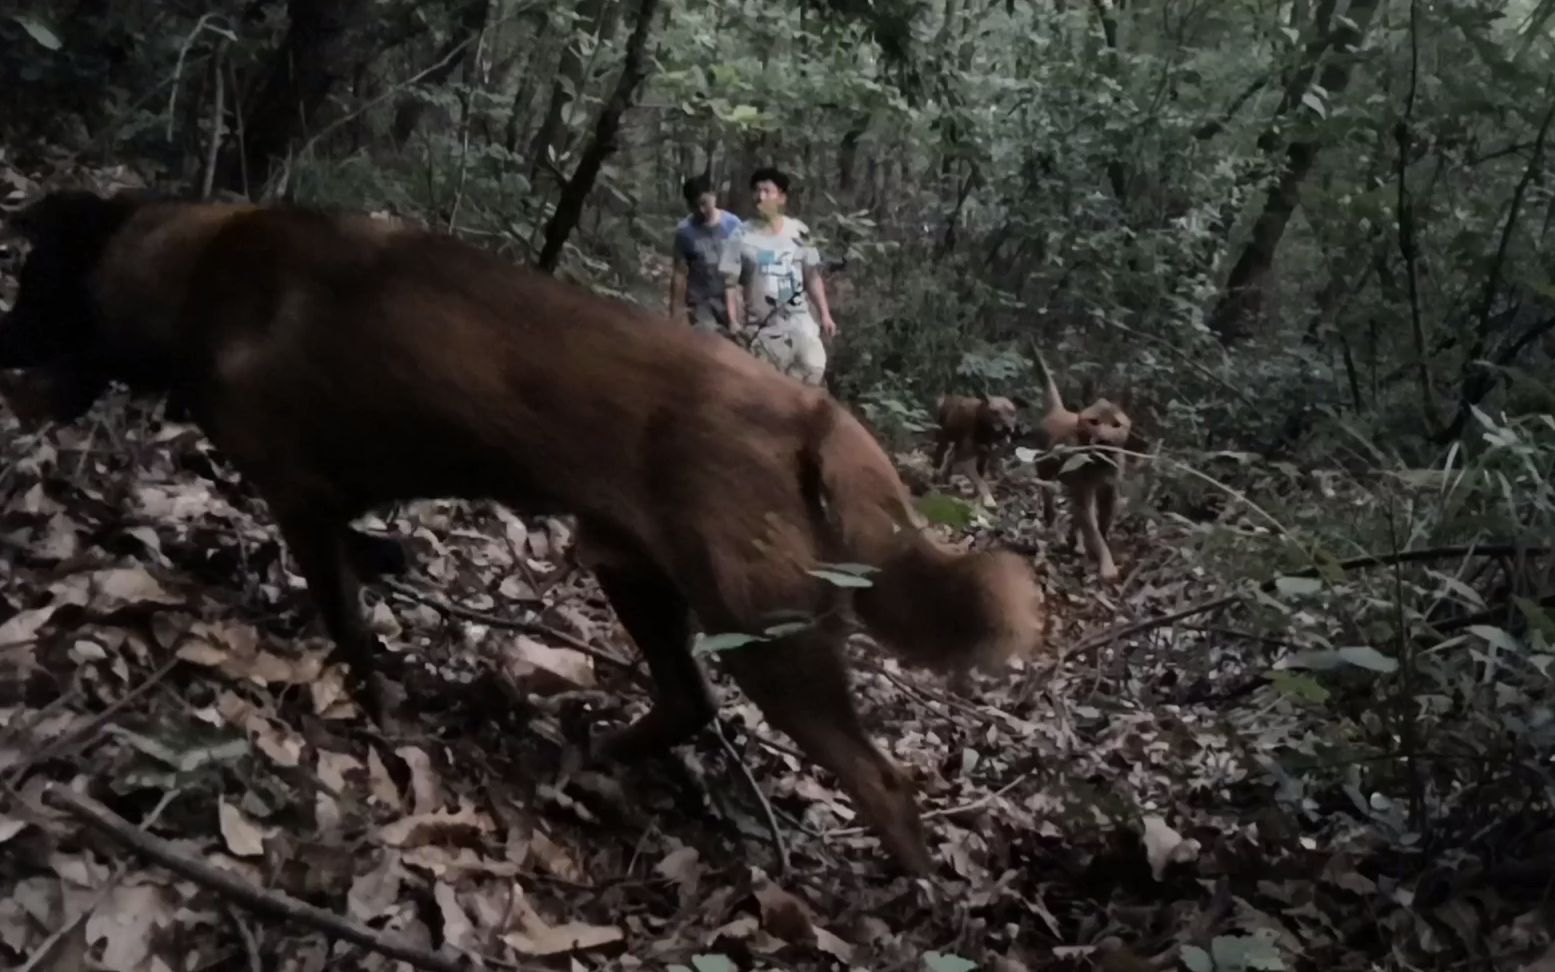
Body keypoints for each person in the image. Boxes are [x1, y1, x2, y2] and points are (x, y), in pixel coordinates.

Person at [719, 166, 838, 386]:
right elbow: (730, 283)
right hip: (764, 331)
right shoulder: (740, 235)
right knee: (770, 393)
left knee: (811, 381)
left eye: (767, 191)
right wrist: (733, 320)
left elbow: (812, 275)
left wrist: (825, 314)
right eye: (756, 191)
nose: (760, 197)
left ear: (781, 197)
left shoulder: (799, 231)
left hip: (800, 325)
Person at [669, 174, 743, 333]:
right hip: (700, 302)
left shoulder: (734, 225)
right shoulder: (685, 231)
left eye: (704, 203)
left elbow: (743, 268)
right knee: (709, 342)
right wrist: (675, 313)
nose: (701, 210)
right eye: (695, 206)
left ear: (713, 195)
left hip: (729, 300)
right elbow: (679, 274)